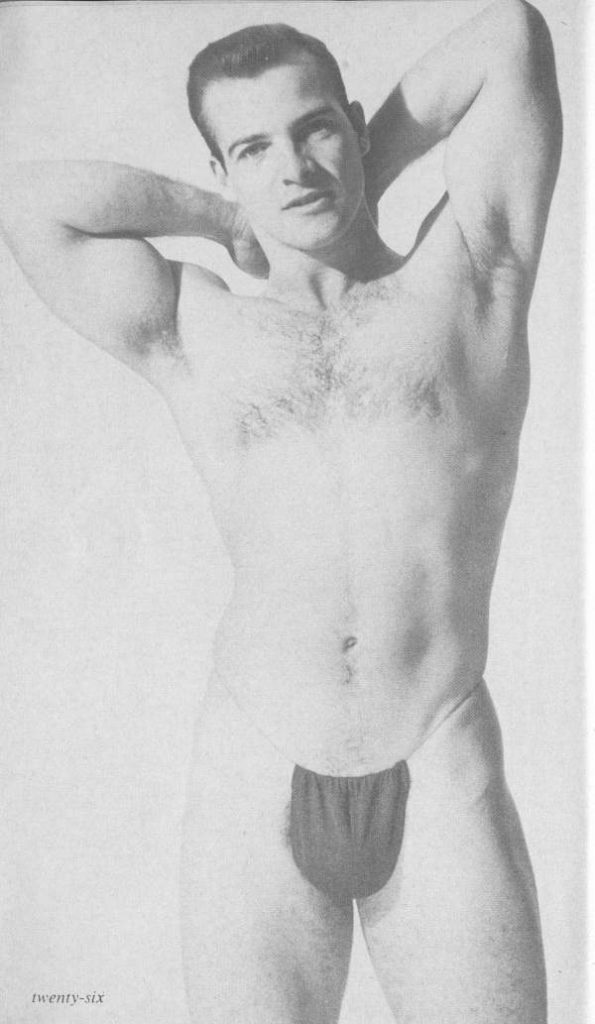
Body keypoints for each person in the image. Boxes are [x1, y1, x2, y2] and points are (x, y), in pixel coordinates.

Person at [0, 1, 562, 1021]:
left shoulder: (469, 278)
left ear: (354, 124)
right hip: (255, 761)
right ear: (221, 168)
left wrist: (362, 171)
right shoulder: (195, 326)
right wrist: (226, 219)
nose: (294, 166)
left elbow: (510, 39)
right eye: (252, 148)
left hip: (437, 748)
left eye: (314, 130)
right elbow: (27, 203)